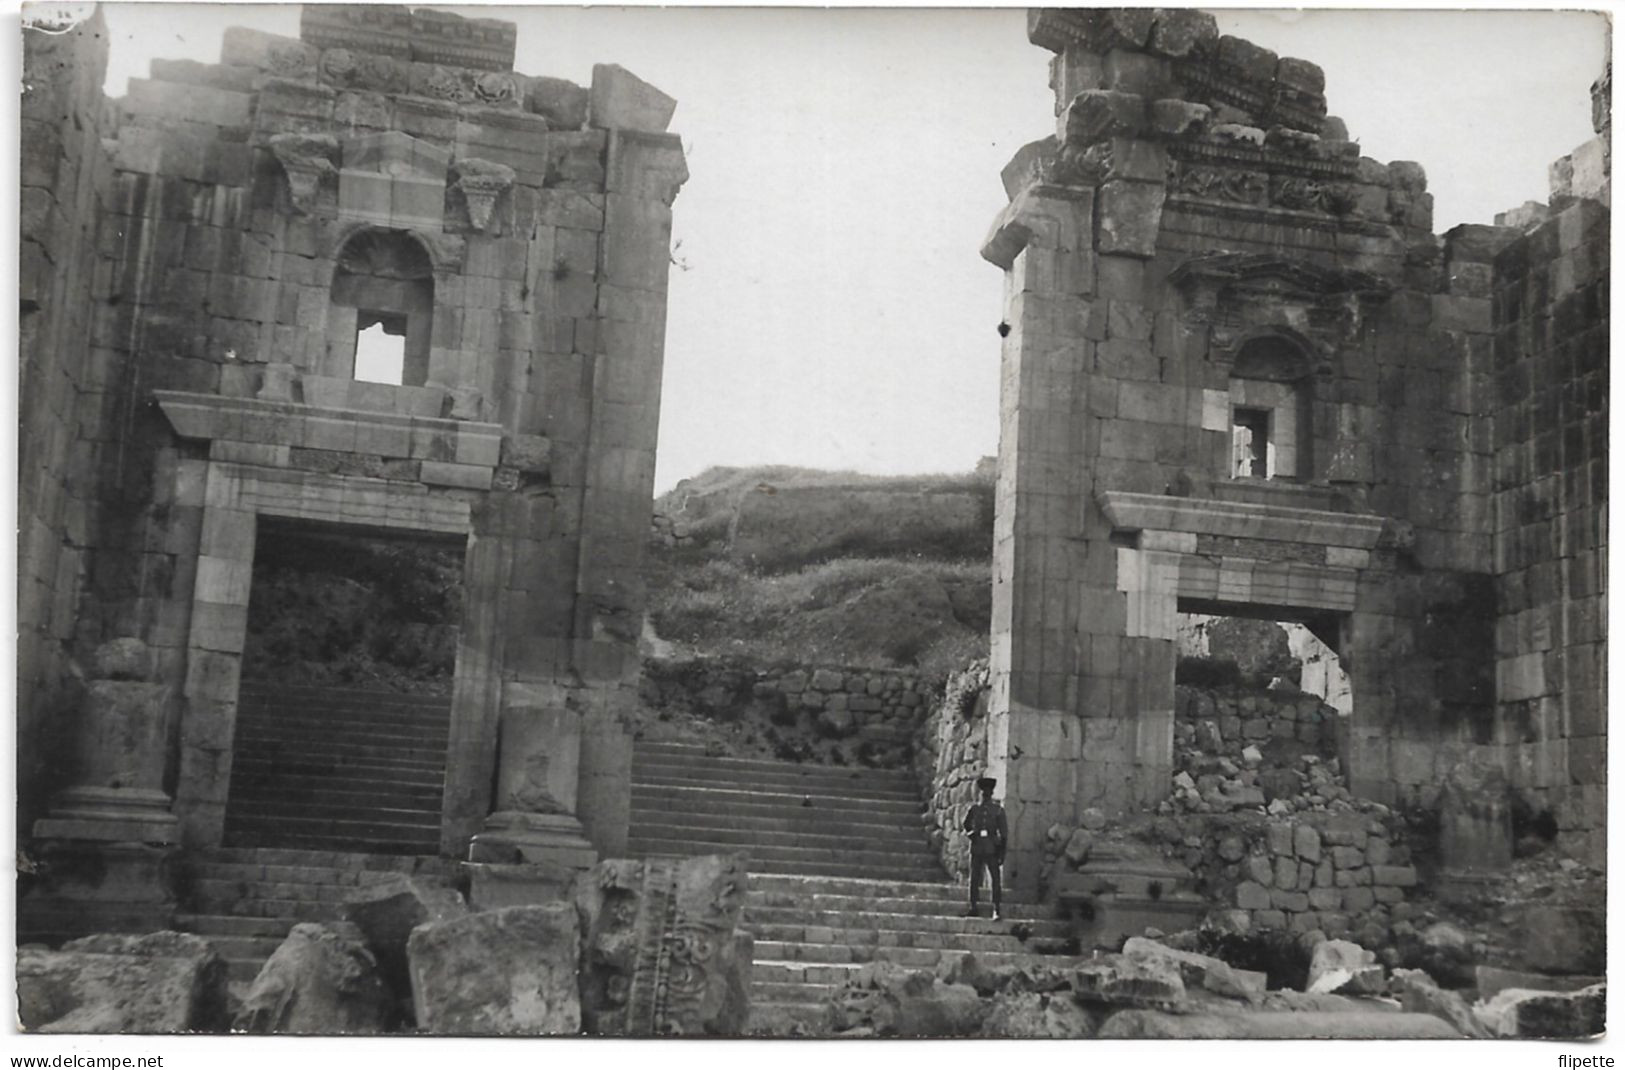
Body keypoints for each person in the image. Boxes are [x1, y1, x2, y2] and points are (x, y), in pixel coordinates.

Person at [962, 775, 1007, 920]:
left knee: (995, 879)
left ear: (992, 794)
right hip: (977, 848)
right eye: (983, 793)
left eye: (988, 793)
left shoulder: (998, 810)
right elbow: (966, 824)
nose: (985, 796)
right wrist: (971, 834)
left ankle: (996, 908)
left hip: (991, 849)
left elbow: (1004, 833)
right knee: (974, 878)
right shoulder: (974, 809)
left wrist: (1002, 853)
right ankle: (973, 906)